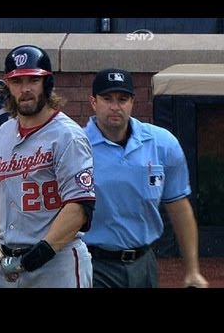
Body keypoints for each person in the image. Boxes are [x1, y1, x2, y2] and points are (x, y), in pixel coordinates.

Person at [0, 45, 96, 288]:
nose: (25, 89)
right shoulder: (4, 134)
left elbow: (79, 209)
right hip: (8, 264)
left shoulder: (68, 136)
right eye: (17, 81)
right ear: (7, 87)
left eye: (33, 80)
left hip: (56, 264)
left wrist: (28, 261)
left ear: (47, 83)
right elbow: (15, 201)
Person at [82, 68, 209, 288]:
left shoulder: (162, 143)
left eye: (122, 99)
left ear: (133, 102)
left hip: (145, 264)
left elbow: (179, 207)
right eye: (107, 99)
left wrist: (192, 271)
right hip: (95, 265)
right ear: (93, 102)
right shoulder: (77, 146)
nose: (115, 106)